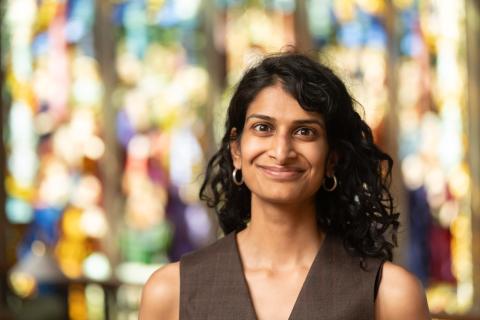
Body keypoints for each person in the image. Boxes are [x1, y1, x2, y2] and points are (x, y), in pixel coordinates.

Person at [139, 52, 430, 319]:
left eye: (305, 131)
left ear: (332, 159)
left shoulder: (391, 296)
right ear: (236, 151)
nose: (281, 152)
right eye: (263, 128)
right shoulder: (170, 292)